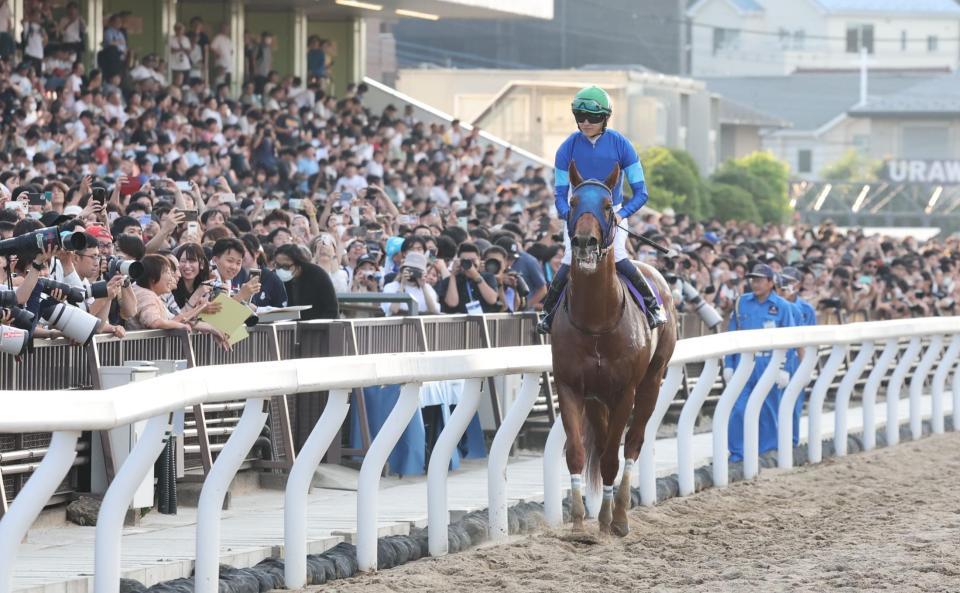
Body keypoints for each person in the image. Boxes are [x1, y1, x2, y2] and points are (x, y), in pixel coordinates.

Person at [537, 85, 665, 334]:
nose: (586, 123)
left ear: (605, 117)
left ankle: (653, 307)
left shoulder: (622, 145)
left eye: (593, 118)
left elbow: (642, 193)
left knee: (618, 256)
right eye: (580, 117)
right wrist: (569, 215)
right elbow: (560, 195)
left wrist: (622, 214)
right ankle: (547, 313)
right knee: (567, 258)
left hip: (611, 213)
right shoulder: (566, 148)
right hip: (579, 215)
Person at [722, 264, 797, 462]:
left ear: (771, 282)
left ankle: (766, 454)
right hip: (744, 362)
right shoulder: (741, 303)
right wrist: (728, 364)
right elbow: (732, 335)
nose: (755, 283)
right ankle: (738, 455)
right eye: (753, 279)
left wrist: (784, 369)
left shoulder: (782, 307)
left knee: (768, 410)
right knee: (738, 409)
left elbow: (790, 340)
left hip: (770, 362)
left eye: (760, 280)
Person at [779, 266, 817, 446]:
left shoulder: (806, 309)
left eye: (790, 281)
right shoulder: (776, 303)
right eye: (783, 280)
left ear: (798, 284)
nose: (786, 285)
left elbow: (809, 342)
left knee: (793, 405)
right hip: (776, 360)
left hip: (795, 360)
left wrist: (807, 367)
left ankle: (791, 444)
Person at [273, 244, 338, 320]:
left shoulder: (317, 275)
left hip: (318, 324)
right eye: (278, 265)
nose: (281, 270)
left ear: (298, 264)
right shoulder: (274, 276)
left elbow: (332, 309)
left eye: (286, 266)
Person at [381, 251, 439, 316]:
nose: (413, 273)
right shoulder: (391, 287)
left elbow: (434, 311)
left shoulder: (428, 289)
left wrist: (423, 286)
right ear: (403, 270)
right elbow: (393, 310)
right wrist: (402, 285)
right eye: (410, 269)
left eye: (416, 270)